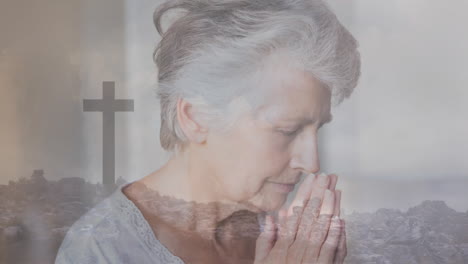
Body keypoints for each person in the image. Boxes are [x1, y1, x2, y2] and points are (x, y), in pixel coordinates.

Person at [55, 0, 361, 263]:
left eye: (316, 128)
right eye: (287, 130)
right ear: (196, 117)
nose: (312, 163)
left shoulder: (298, 233)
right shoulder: (99, 249)